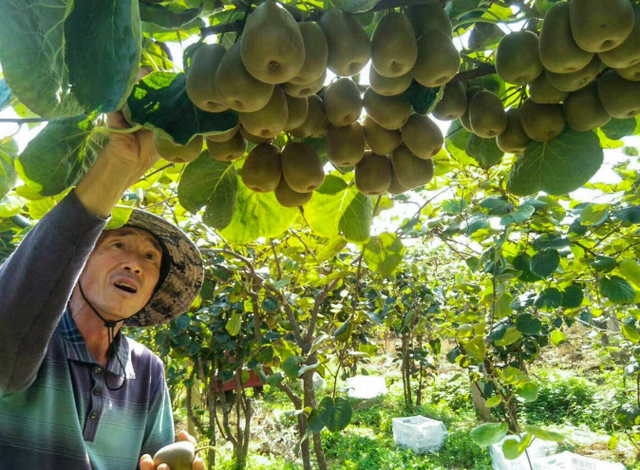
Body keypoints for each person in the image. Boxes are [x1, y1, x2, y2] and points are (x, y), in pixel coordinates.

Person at [0, 111, 206, 470]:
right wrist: (117, 164)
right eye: (118, 246)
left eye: (150, 257)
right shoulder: (30, 341)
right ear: (78, 259)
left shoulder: (148, 371)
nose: (134, 264)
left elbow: (153, 461)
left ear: (153, 288)